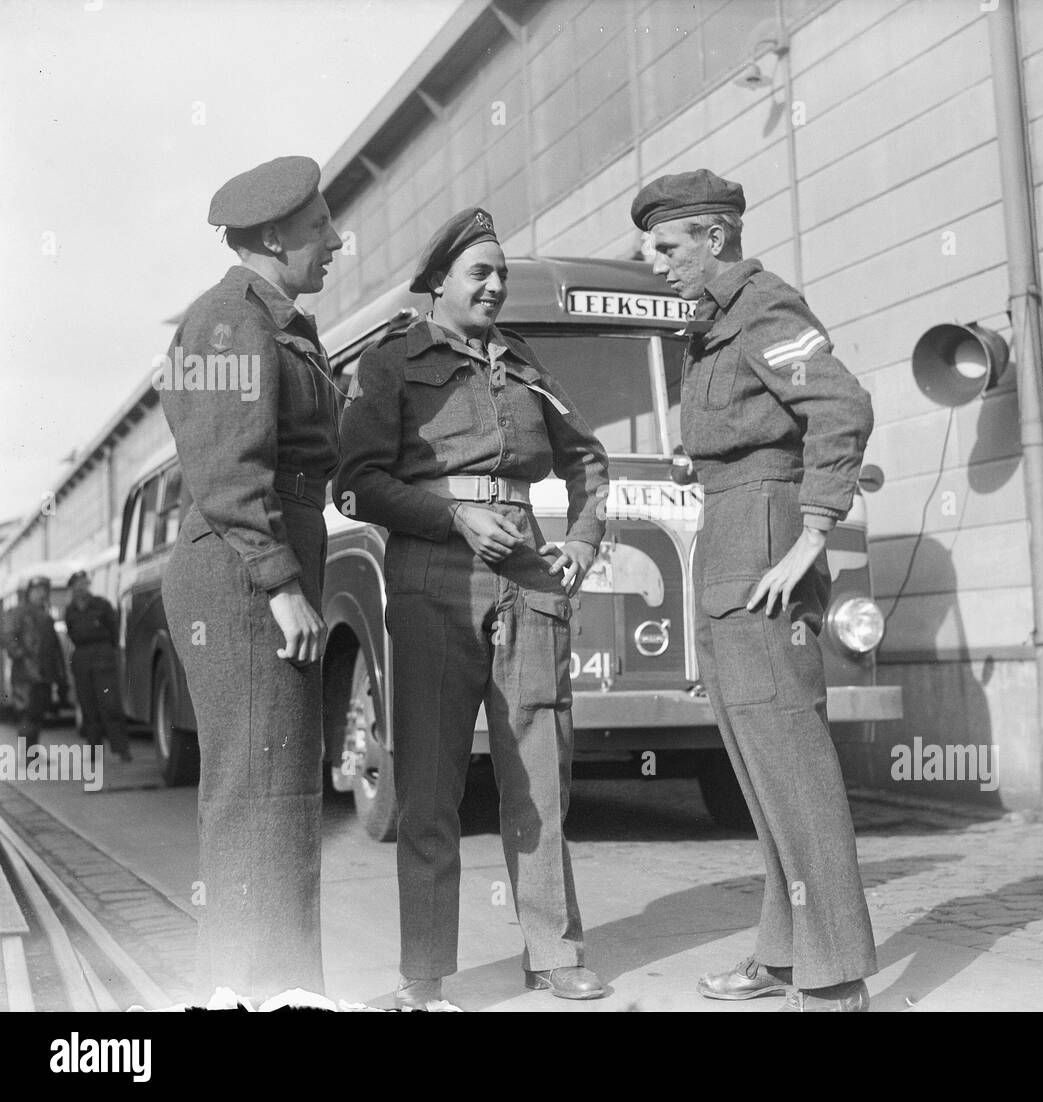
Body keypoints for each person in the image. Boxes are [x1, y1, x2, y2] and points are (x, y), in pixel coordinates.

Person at [334, 207, 610, 1009]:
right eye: (480, 273)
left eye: (502, 274)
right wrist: (451, 516)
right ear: (439, 283)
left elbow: (588, 461)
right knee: (429, 784)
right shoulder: (391, 364)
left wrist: (585, 542)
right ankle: (423, 976)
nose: (495, 286)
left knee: (540, 778)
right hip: (431, 580)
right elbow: (353, 482)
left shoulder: (526, 365)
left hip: (528, 577)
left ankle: (554, 954)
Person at [632, 169, 878, 1013]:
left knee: (795, 766)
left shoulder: (765, 305)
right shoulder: (715, 323)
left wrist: (814, 531)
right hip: (731, 534)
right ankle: (783, 956)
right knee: (758, 766)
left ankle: (838, 979)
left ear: (716, 237)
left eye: (667, 247)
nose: (655, 261)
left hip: (768, 538)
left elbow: (840, 406)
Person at [159, 155, 343, 1002]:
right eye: (319, 230)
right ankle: (246, 990)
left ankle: (275, 987)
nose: (335, 243)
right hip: (241, 571)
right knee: (256, 791)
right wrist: (281, 583)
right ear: (273, 236)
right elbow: (229, 469)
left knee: (282, 786)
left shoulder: (278, 322)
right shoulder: (229, 322)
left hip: (266, 557)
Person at [63, 571, 132, 762]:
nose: (81, 588)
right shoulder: (70, 610)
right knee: (88, 707)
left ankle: (121, 749)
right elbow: (71, 632)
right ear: (73, 588)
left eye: (84, 584)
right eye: (77, 585)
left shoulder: (101, 605)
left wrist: (109, 652)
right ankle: (94, 751)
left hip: (102, 656)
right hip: (82, 659)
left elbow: (114, 628)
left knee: (110, 705)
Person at [4, 577, 67, 745]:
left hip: (43, 675)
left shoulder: (46, 617)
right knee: (28, 715)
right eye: (37, 590)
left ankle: (32, 752)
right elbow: (8, 637)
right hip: (25, 676)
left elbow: (55, 649)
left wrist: (59, 675)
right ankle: (28, 756)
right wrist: (21, 654)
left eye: (44, 590)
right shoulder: (17, 613)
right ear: (29, 593)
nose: (41, 594)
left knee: (37, 716)